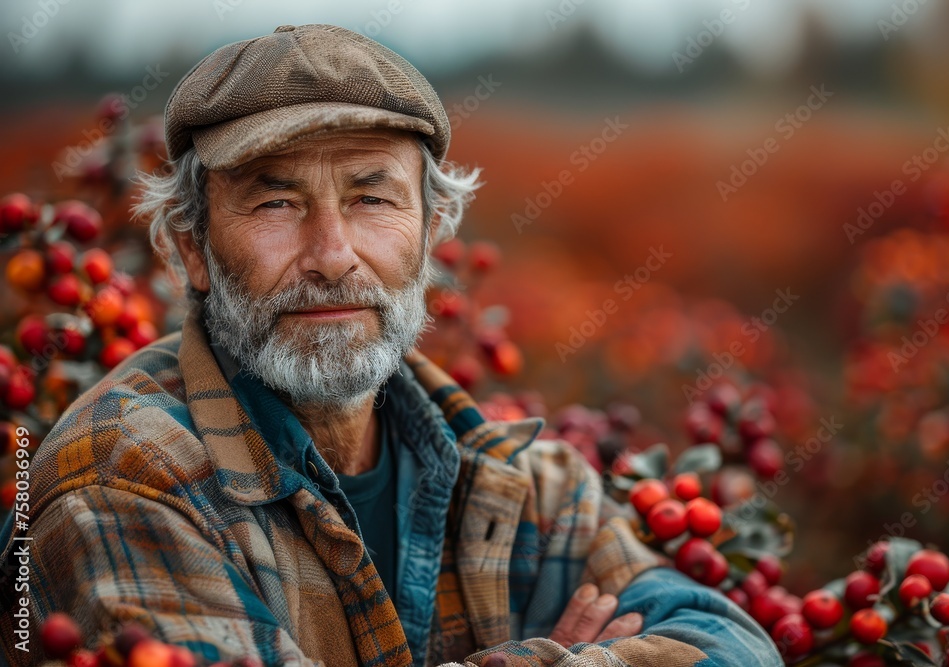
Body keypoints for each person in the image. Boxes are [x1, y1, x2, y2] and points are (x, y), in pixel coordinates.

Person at [0, 24, 780, 667]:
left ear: (433, 234)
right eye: (276, 200)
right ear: (191, 245)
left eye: (371, 197)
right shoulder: (120, 481)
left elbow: (739, 648)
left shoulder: (518, 479)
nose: (332, 252)